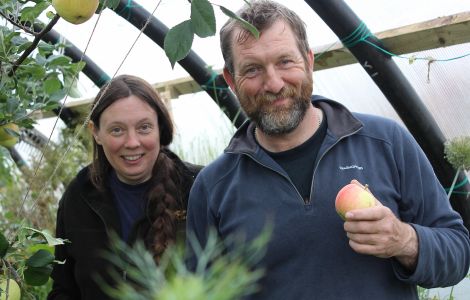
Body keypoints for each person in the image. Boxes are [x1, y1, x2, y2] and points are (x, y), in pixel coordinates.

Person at [185, 1, 470, 299]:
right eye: (253, 69)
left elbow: (458, 253)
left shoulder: (386, 143)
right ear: (231, 80)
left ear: (309, 61)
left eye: (285, 61)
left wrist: (404, 241)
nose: (273, 83)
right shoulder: (214, 186)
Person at [48, 74, 201, 299]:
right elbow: (64, 289)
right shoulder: (79, 197)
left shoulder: (198, 188)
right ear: (96, 132)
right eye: (117, 130)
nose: (132, 142)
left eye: (144, 127)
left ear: (161, 128)